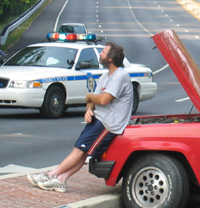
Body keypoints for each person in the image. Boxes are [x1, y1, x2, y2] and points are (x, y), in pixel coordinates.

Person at [27, 42, 133, 192]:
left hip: (108, 124)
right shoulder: (105, 76)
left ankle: (50, 175)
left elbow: (103, 99)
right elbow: (93, 100)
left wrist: (89, 96)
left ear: (110, 58)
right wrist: (89, 109)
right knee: (82, 152)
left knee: (79, 150)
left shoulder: (120, 76)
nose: (100, 54)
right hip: (99, 119)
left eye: (103, 52)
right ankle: (61, 179)